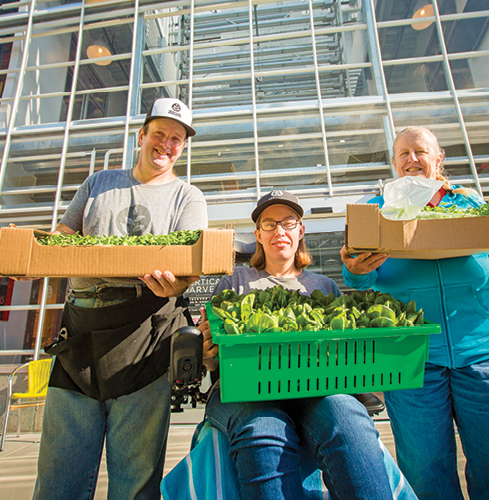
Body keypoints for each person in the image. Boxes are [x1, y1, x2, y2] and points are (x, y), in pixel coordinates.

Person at [340, 126, 489, 500]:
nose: (412, 159)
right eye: (403, 154)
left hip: (482, 351)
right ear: (394, 163)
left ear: (438, 158)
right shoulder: (377, 212)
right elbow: (361, 278)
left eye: (421, 151)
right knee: (424, 467)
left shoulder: (469, 204)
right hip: (410, 357)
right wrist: (356, 270)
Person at [32, 98, 207, 500]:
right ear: (141, 135)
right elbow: (64, 234)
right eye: (159, 134)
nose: (166, 144)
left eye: (176, 139)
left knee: (135, 481)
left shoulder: (187, 197)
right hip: (80, 333)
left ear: (182, 147)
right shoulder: (97, 183)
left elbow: (189, 266)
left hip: (146, 338)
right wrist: (39, 254)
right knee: (59, 478)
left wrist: (178, 287)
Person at [198, 190, 399, 500]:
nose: (279, 230)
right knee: (264, 429)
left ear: (301, 230)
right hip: (245, 391)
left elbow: (341, 359)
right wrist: (207, 353)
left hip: (315, 391)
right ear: (258, 235)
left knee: (348, 414)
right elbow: (213, 363)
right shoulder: (233, 282)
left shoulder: (323, 286)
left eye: (289, 222)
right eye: (269, 224)